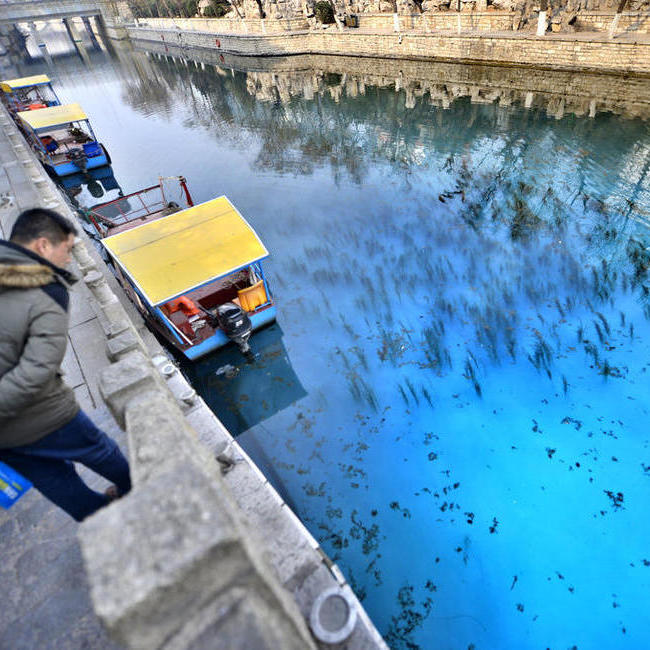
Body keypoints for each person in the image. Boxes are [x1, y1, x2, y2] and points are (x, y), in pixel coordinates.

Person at [0, 207, 131, 521]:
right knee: (101, 450)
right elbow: (37, 371)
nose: (69, 259)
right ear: (43, 246)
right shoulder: (47, 289)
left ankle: (101, 519)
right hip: (42, 413)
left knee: (52, 480)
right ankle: (135, 494)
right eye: (67, 249)